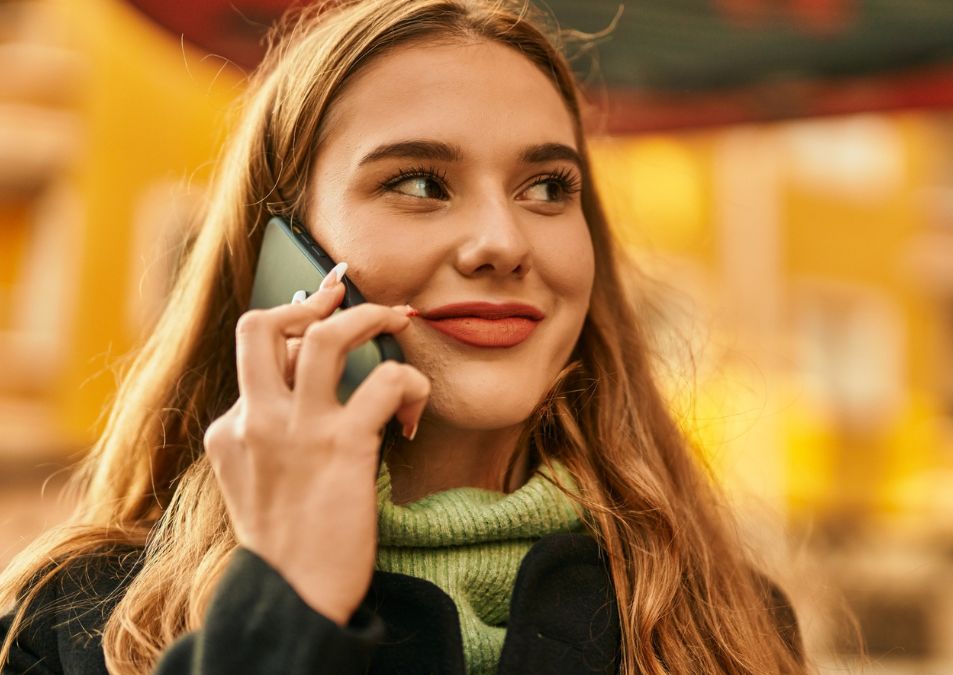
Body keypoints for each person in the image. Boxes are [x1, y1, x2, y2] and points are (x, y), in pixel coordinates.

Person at [0, 0, 806, 673]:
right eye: (420, 182)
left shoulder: (726, 617)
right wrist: (283, 600)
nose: (504, 240)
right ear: (285, 254)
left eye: (548, 187)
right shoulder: (69, 624)